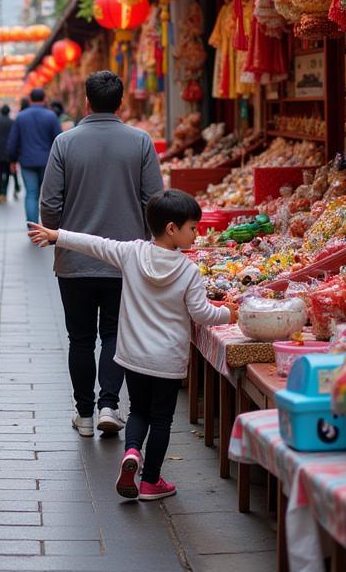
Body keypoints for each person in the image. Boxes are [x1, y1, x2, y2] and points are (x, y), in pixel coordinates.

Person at [29, 190, 234, 500]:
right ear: (171, 229)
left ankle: (133, 453)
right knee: (161, 419)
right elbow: (202, 314)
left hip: (133, 356)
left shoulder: (131, 253)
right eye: (193, 227)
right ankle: (151, 481)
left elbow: (95, 244)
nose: (197, 233)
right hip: (167, 359)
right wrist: (231, 312)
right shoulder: (189, 271)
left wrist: (57, 235)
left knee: (138, 410)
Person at [40, 70, 164, 438]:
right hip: (124, 260)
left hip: (74, 260)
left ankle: (84, 415)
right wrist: (142, 238)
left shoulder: (65, 142)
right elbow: (154, 201)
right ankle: (109, 404)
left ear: (87, 101)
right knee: (114, 333)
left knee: (79, 338)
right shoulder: (140, 142)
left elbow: (49, 202)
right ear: (120, 102)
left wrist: (56, 234)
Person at [6, 87, 61, 222]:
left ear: (30, 99)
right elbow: (59, 139)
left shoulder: (21, 117)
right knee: (47, 194)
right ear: (44, 99)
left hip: (27, 161)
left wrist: (12, 160)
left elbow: (13, 142)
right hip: (48, 162)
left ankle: (33, 228)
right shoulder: (51, 116)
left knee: (31, 193)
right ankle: (49, 225)